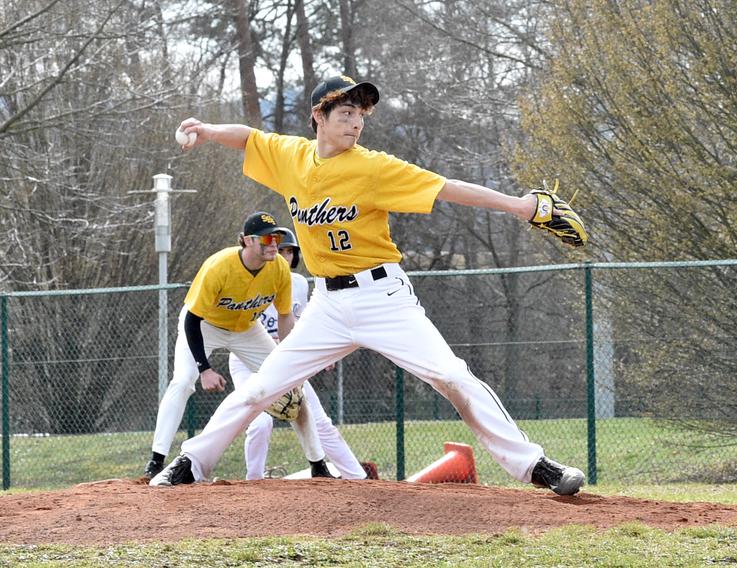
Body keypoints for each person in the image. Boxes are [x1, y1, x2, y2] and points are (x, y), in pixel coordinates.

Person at [151, 75, 586, 495]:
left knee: (451, 375)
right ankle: (192, 463)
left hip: (382, 298)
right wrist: (207, 130)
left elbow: (446, 188)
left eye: (360, 114)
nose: (356, 122)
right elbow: (248, 137)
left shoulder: (372, 167)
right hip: (327, 305)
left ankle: (533, 465)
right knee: (261, 388)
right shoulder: (292, 157)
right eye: (345, 111)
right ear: (318, 116)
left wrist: (522, 206)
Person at [143, 211, 336, 481]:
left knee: (291, 384)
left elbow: (285, 318)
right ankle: (156, 460)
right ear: (246, 241)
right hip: (204, 326)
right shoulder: (218, 266)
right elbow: (192, 320)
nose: (273, 245)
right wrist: (205, 369)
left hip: (246, 329)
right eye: (267, 239)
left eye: (277, 239)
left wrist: (290, 360)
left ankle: (318, 465)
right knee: (183, 381)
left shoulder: (278, 268)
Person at [227, 228, 367, 479]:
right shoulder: (248, 279)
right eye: (280, 250)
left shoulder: (299, 284)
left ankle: (358, 478)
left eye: (290, 251)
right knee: (260, 422)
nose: (285, 255)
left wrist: (322, 354)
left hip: (286, 364)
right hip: (248, 363)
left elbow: (304, 325)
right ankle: (254, 482)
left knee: (320, 422)